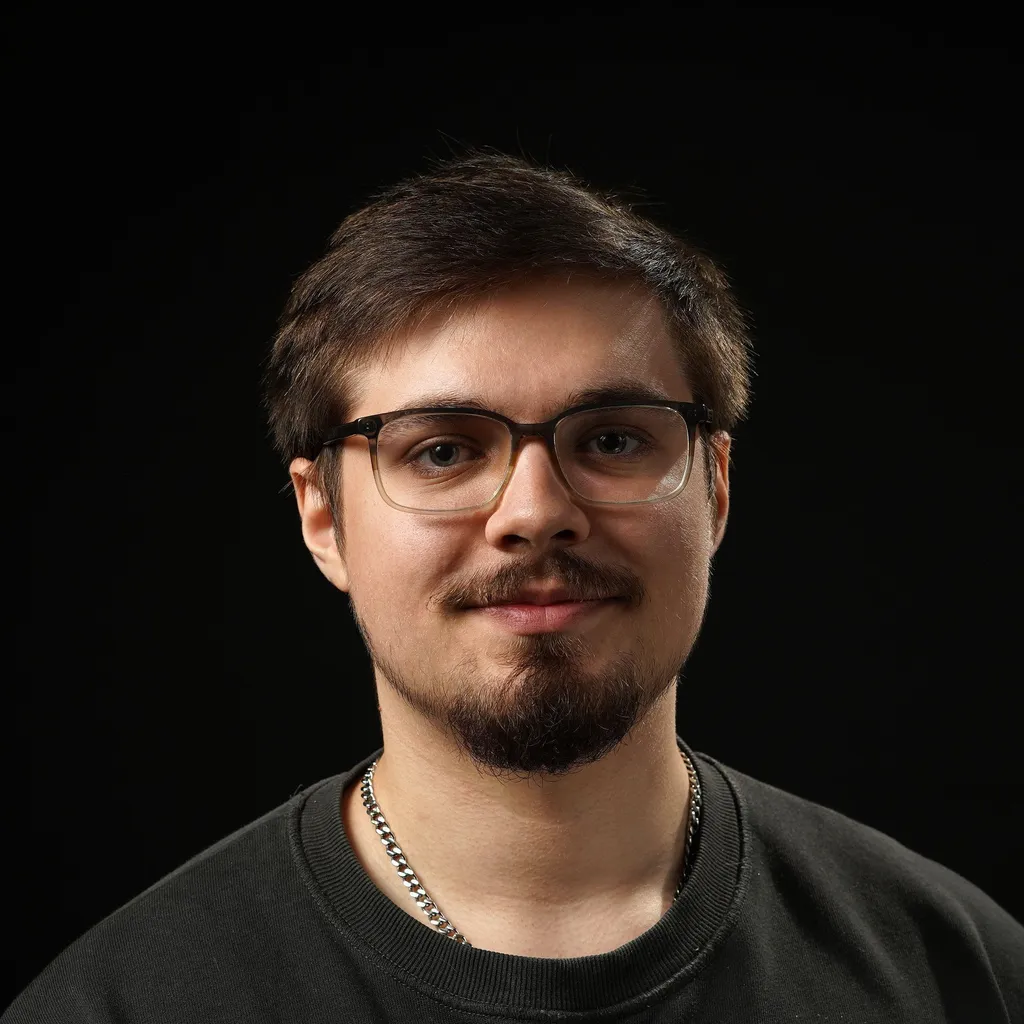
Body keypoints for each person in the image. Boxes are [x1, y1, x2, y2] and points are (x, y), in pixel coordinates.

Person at [5, 151, 1022, 1022]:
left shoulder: (958, 970)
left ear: (713, 487)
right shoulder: (124, 1002)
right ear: (323, 518)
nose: (534, 510)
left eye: (613, 439)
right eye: (442, 450)